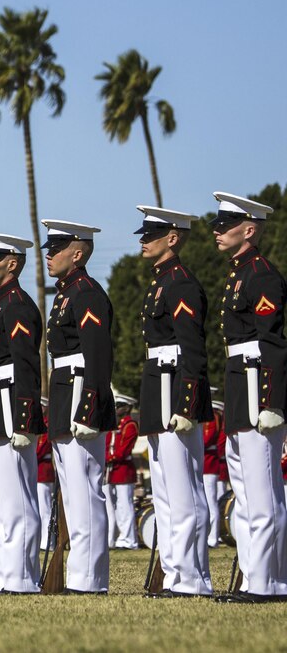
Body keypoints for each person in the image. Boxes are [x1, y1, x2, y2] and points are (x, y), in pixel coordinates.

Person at [209, 192, 287, 603]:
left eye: (226, 225)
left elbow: (273, 343)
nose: (217, 231)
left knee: (263, 493)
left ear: (250, 230)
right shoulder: (239, 273)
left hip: (258, 386)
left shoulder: (261, 274)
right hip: (241, 382)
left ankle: (270, 583)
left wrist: (273, 402)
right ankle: (254, 578)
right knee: (245, 491)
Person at [134, 205, 214, 597]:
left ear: (173, 238)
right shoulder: (160, 282)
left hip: (174, 389)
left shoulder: (180, 282)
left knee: (185, 493)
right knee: (165, 493)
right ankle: (174, 572)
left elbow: (192, 349)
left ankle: (192, 577)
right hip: (157, 387)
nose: (143, 240)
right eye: (143, 235)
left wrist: (188, 403)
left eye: (151, 235)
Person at [42, 219, 115, 595]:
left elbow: (97, 355)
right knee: (73, 492)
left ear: (79, 252)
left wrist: (90, 406)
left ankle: (89, 579)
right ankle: (79, 574)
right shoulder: (66, 294)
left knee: (86, 491)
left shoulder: (86, 292)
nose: (49, 256)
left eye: (56, 249)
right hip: (64, 393)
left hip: (79, 393)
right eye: (49, 249)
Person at [0, 232, 45, 592]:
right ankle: (8, 573)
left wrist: (24, 416)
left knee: (17, 496)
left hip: (11, 401)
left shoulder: (17, 304)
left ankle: (21, 577)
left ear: (12, 264)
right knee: (3, 498)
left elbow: (26, 364)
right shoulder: (2, 303)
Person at [103, 395, 138, 551]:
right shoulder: (117, 425)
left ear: (128, 408)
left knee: (125, 505)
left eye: (120, 406)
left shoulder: (130, 425)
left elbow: (123, 450)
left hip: (123, 469)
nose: (117, 409)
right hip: (113, 471)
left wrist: (110, 457)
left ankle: (129, 539)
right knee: (116, 507)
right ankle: (120, 537)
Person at [204, 401, 223, 547]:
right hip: (204, 462)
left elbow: (208, 438)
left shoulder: (213, 417)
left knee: (211, 501)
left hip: (209, 463)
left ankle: (213, 537)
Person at [37, 418, 56, 552]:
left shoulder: (46, 426)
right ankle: (42, 539)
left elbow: (39, 450)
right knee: (39, 508)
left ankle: (47, 541)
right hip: (37, 470)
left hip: (43, 471)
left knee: (45, 508)